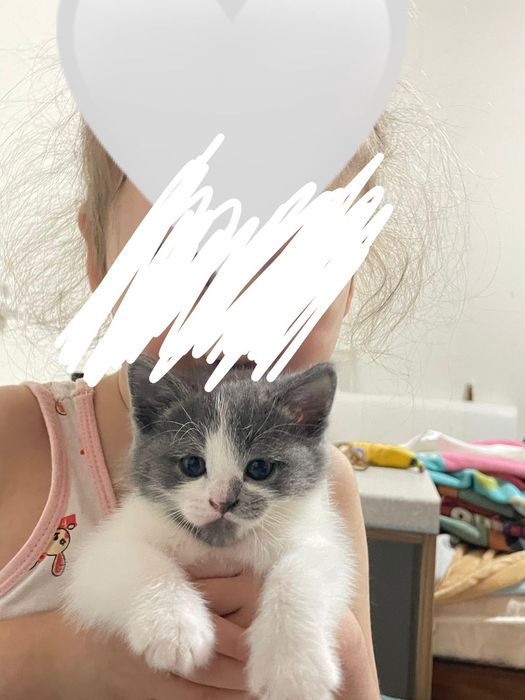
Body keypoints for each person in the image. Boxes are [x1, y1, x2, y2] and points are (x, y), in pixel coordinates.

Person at [0, 88, 459, 695]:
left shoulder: (327, 484)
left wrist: (338, 642)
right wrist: (61, 658)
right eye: (184, 259)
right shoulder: (13, 438)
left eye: (296, 265)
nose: (236, 310)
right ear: (99, 261)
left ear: (351, 281)